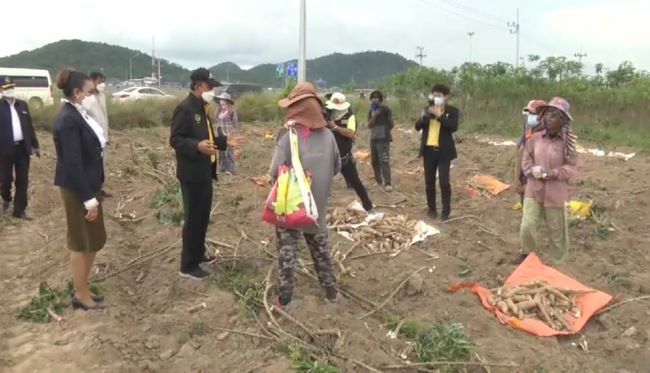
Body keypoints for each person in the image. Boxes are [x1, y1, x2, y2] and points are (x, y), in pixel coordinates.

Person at [269, 82, 341, 307]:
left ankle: (286, 300)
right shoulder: (329, 136)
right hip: (316, 206)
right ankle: (331, 295)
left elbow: (274, 172)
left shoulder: (287, 136)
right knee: (321, 252)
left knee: (287, 255)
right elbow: (337, 167)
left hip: (291, 206)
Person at [52, 69, 108, 310]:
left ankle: (83, 286)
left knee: (93, 240)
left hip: (89, 185)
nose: (93, 95)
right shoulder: (68, 120)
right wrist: (88, 199)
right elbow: (73, 164)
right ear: (76, 93)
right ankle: (80, 294)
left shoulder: (79, 113)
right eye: (89, 91)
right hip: (78, 189)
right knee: (80, 242)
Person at [170, 68, 227, 280]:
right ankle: (187, 265)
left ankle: (199, 253)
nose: (212, 90)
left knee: (202, 218)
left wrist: (224, 143)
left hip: (204, 172)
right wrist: (196, 146)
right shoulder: (185, 109)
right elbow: (175, 139)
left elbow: (208, 138)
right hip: (191, 174)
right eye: (210, 86)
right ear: (198, 86)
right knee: (193, 219)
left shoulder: (202, 108)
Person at [519, 97, 577, 264]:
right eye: (547, 114)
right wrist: (531, 170)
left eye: (553, 115)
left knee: (556, 231)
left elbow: (570, 168)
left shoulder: (568, 144)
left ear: (562, 120)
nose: (548, 118)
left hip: (554, 192)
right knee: (527, 226)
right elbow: (526, 158)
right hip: (533, 188)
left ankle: (558, 262)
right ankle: (528, 256)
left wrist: (552, 173)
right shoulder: (535, 138)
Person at [415, 84, 459, 221]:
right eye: (434, 95)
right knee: (429, 182)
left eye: (439, 95)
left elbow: (453, 127)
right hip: (428, 151)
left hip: (444, 152)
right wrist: (423, 117)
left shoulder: (452, 111)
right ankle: (431, 209)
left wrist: (440, 116)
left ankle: (446, 211)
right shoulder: (427, 109)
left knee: (444, 182)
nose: (436, 97)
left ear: (446, 97)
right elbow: (417, 127)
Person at [326, 92, 374, 211]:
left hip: (344, 157)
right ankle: (319, 211)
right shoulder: (327, 114)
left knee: (356, 182)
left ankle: (368, 207)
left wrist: (335, 127)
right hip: (327, 157)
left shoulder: (350, 117)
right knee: (322, 184)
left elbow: (350, 133)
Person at [0, 77, 40, 220]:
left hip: (22, 148)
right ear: (1, 90)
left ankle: (19, 210)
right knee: (5, 179)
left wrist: (35, 145)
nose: (10, 90)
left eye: (11, 87)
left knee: (23, 180)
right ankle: (5, 198)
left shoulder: (22, 105)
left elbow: (29, 127)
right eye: (6, 88)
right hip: (5, 150)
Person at [82, 72, 112, 198]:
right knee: (93, 165)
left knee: (103, 164)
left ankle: (100, 188)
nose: (102, 84)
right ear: (92, 81)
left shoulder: (102, 96)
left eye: (103, 81)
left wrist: (108, 134)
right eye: (100, 81)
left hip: (103, 137)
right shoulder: (85, 98)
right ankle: (92, 191)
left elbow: (105, 117)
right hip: (92, 138)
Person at [515, 100, 546, 204]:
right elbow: (524, 135)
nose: (530, 116)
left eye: (533, 113)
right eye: (530, 113)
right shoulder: (530, 125)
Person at [367, 90, 394, 192]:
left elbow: (391, 124)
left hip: (383, 139)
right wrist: (374, 115)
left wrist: (385, 131)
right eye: (373, 97)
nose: (374, 99)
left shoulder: (386, 110)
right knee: (374, 161)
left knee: (384, 160)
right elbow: (369, 125)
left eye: (377, 97)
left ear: (381, 99)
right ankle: (378, 181)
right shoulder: (371, 111)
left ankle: (388, 183)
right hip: (373, 139)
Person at [213, 92, 239, 175]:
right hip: (219, 131)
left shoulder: (232, 110)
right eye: (220, 99)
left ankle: (230, 169)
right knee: (221, 150)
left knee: (229, 151)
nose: (221, 101)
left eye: (222, 99)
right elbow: (215, 118)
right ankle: (222, 168)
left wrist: (233, 133)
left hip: (228, 132)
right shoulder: (219, 110)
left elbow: (235, 122)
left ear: (226, 100)